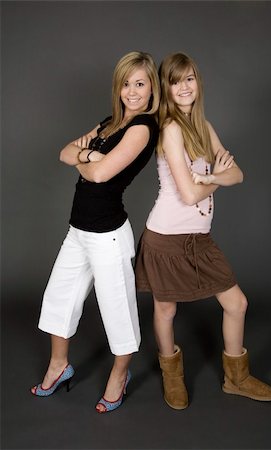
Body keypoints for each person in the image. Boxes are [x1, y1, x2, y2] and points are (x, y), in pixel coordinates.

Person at [135, 52, 271, 410]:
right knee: (166, 310)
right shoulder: (169, 128)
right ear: (165, 88)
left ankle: (237, 378)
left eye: (190, 79)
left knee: (237, 303)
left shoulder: (203, 126)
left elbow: (238, 174)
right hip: (165, 238)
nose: (183, 87)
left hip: (199, 239)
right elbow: (188, 193)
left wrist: (210, 177)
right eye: (175, 81)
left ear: (198, 83)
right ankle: (172, 376)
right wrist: (215, 180)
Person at [31, 51, 160, 414]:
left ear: (151, 89)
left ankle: (120, 375)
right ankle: (59, 367)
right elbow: (63, 153)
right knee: (58, 299)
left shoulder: (143, 128)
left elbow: (102, 176)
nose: (132, 92)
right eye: (126, 83)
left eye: (140, 84)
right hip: (78, 231)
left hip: (108, 234)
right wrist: (90, 157)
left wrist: (86, 159)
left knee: (117, 311)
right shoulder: (109, 124)